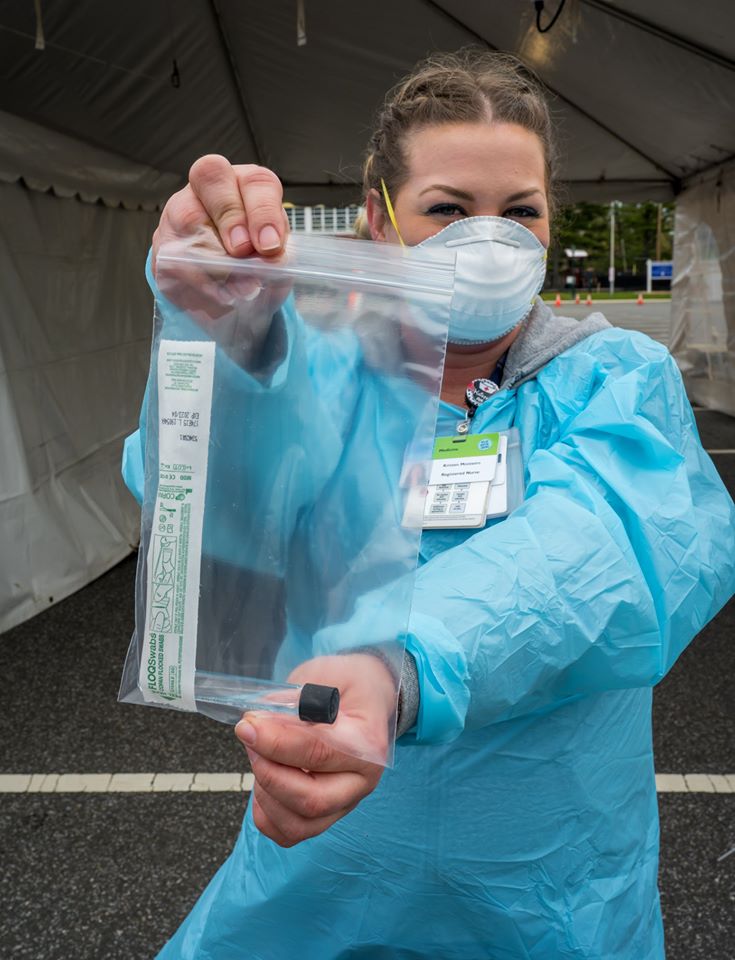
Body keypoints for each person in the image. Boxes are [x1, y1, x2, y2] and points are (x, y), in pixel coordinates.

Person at [124, 50, 735, 959]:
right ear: (379, 219)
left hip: (551, 892)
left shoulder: (614, 375)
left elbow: (611, 546)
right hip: (324, 872)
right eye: (448, 208)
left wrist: (398, 669)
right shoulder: (318, 372)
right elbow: (204, 500)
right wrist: (229, 336)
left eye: (518, 210)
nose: (488, 239)